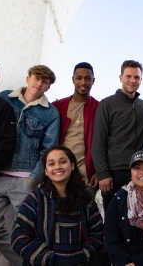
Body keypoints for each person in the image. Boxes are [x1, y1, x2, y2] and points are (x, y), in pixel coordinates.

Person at [0, 65, 60, 266]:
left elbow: (48, 150)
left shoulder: (50, 113)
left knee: (26, 232)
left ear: (48, 87)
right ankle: (22, 261)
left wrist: (33, 179)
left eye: (45, 82)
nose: (39, 84)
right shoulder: (4, 98)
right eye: (37, 78)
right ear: (28, 78)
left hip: (25, 180)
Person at [12, 145, 103, 265]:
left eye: (63, 161)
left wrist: (83, 255)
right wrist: (51, 259)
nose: (57, 167)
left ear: (72, 165)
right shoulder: (35, 200)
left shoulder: (85, 200)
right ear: (46, 170)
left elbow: (97, 232)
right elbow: (18, 237)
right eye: (51, 164)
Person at [92, 60, 143, 214]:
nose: (132, 81)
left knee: (138, 218)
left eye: (136, 77)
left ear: (141, 80)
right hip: (113, 174)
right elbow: (98, 142)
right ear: (121, 78)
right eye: (128, 76)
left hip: (138, 172)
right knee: (114, 219)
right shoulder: (107, 104)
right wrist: (103, 174)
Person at [52, 62, 99, 190]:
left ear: (93, 81)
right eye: (79, 78)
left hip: (87, 177)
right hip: (59, 174)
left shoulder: (99, 108)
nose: (83, 82)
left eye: (87, 78)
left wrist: (99, 171)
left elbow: (106, 142)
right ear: (73, 80)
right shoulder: (57, 106)